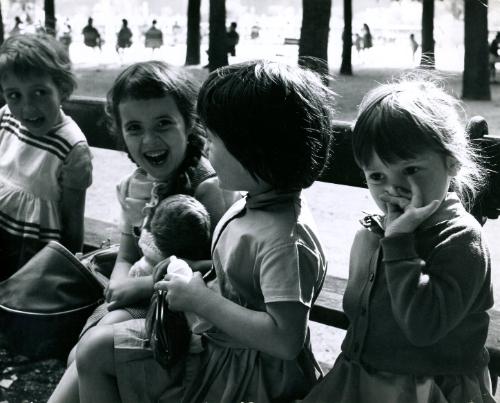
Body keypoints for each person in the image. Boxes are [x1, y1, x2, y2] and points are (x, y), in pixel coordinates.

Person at [51, 59, 336, 403]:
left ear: (256, 150)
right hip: (216, 341)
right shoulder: (255, 205)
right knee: (92, 351)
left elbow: (284, 340)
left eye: (215, 139)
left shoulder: (284, 241)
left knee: (95, 352)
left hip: (241, 369)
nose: (207, 147)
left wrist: (200, 298)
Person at [48, 60, 239, 403]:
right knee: (79, 355)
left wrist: (138, 286)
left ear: (189, 123)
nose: (149, 139)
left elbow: (218, 269)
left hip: (184, 314)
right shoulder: (135, 185)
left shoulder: (206, 186)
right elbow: (127, 251)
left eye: (163, 123)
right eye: (134, 127)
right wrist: (119, 284)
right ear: (121, 132)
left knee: (89, 353)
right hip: (141, 297)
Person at [301, 75, 495, 403]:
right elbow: (359, 311)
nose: (393, 188)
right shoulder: (382, 230)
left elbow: (423, 327)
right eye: (377, 176)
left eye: (410, 170)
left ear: (452, 161)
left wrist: (398, 242)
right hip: (364, 377)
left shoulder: (462, 240)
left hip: (427, 388)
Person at [0, 33, 93, 280]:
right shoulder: (6, 118)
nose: (27, 107)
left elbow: (73, 220)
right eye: (14, 95)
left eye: (39, 92)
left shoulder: (72, 147)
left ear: (62, 89)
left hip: (32, 252)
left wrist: (71, 270)